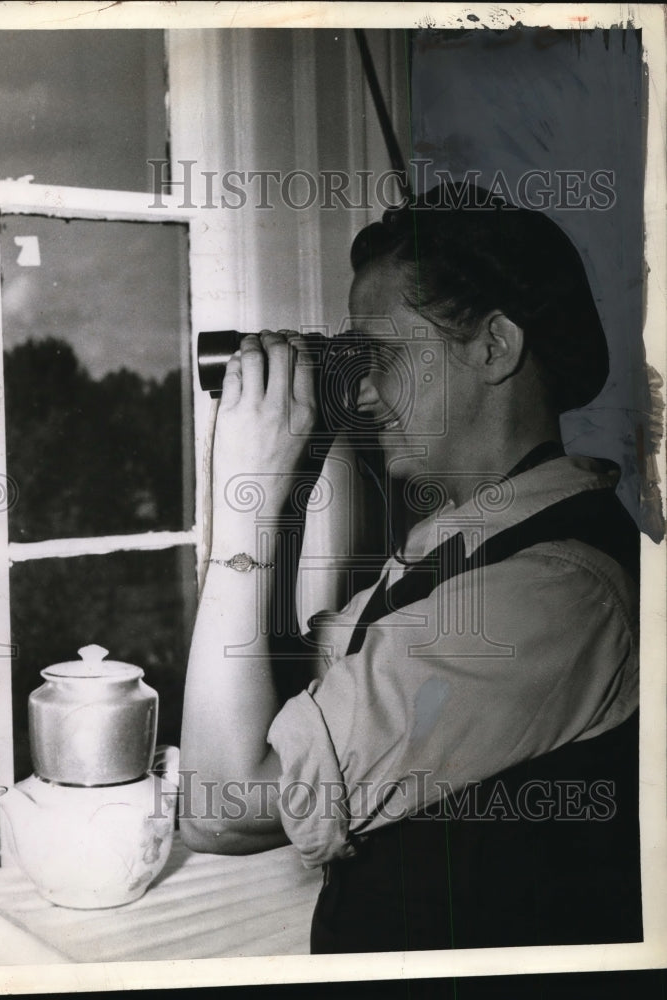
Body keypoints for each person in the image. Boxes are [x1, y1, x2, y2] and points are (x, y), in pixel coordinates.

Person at [179, 184, 641, 954]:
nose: (361, 392)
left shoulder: (554, 594)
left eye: (382, 355)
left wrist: (243, 504)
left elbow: (221, 807)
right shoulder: (459, 541)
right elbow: (298, 705)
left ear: (493, 347)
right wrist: (282, 491)